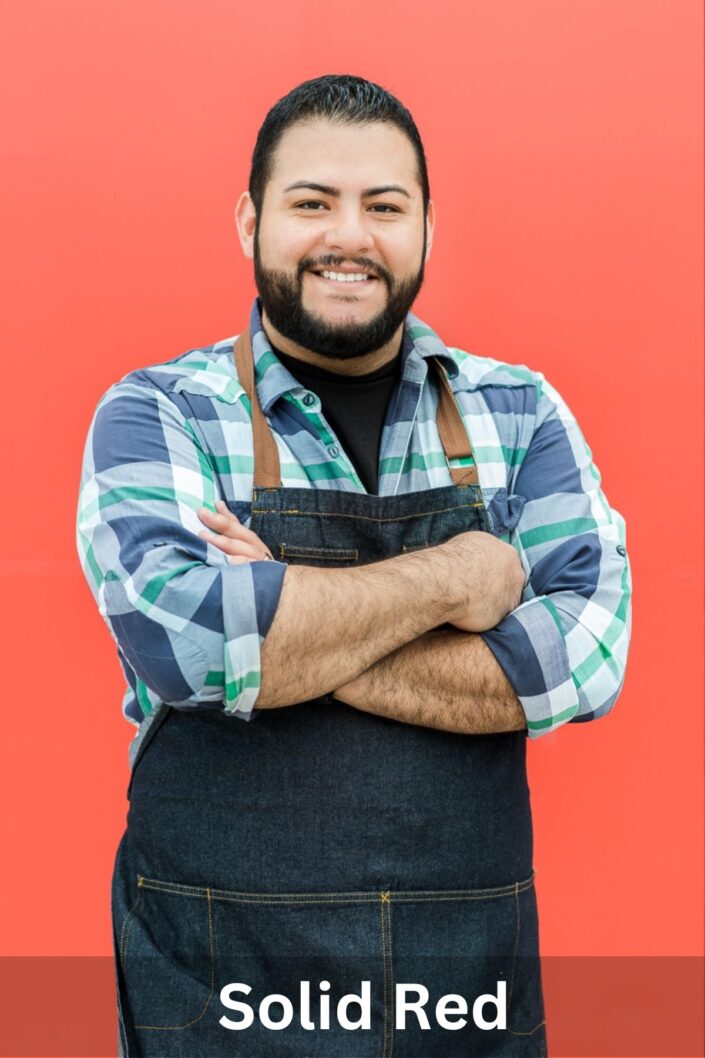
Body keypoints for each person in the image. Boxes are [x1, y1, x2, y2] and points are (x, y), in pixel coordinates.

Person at [76, 74, 631, 1058]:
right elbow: (192, 643)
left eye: (384, 206)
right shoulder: (159, 413)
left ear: (425, 225)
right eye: (312, 202)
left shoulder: (520, 412)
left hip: (461, 991)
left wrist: (289, 617)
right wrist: (456, 579)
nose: (351, 236)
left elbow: (579, 660)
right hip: (221, 985)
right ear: (251, 220)